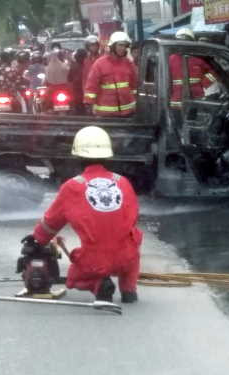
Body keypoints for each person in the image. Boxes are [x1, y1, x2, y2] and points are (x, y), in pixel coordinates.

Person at [25, 126, 142, 303]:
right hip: (128, 258)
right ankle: (129, 291)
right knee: (131, 243)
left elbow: (52, 222)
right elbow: (132, 217)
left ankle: (98, 284)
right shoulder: (122, 182)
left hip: (94, 261)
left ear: (78, 157)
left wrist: (37, 239)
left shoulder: (73, 186)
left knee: (74, 279)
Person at [84, 31, 138, 117]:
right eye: (120, 45)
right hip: (106, 113)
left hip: (128, 112)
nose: (123, 48)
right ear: (112, 46)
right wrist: (89, 103)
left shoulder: (129, 63)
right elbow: (91, 84)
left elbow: (134, 85)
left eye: (125, 45)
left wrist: (136, 100)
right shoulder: (100, 64)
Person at [168, 28, 219, 108]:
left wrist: (204, 83)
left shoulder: (198, 59)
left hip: (196, 99)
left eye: (186, 42)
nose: (183, 44)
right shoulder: (171, 59)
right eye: (181, 42)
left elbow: (214, 72)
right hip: (177, 102)